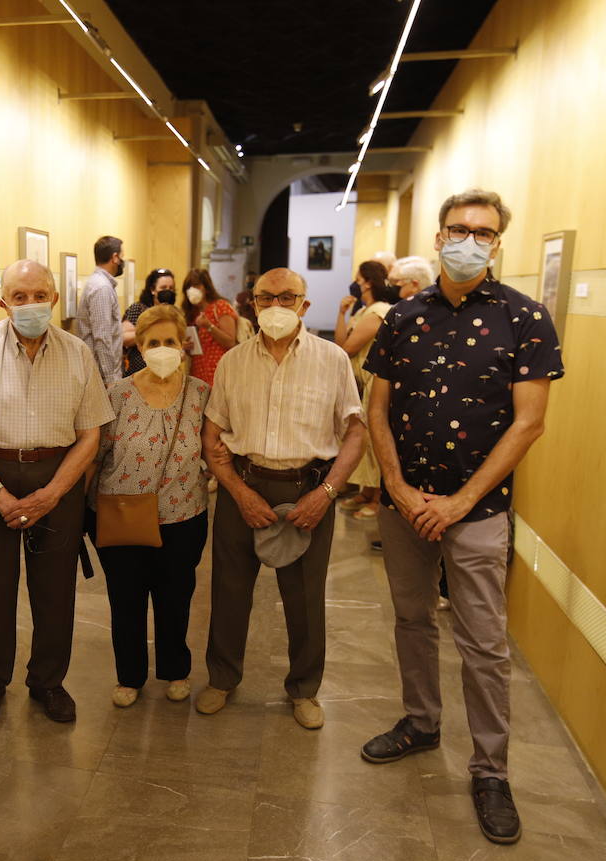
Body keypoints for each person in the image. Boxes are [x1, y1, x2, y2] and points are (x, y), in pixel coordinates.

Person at [359, 188, 564, 845]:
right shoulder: (402, 318)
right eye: (456, 229)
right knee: (412, 618)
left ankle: (491, 770)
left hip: (477, 512)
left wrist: (459, 503)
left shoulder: (525, 319)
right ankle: (420, 721)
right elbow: (378, 409)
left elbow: (529, 424)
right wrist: (396, 485)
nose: (467, 240)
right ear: (439, 234)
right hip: (405, 505)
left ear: (498, 242)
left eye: (482, 231)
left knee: (484, 641)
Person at [196, 268, 365, 729]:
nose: (275, 307)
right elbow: (213, 435)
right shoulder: (232, 363)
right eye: (265, 298)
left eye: (287, 297)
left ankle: (304, 689)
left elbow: (354, 432)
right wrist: (237, 491)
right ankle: (222, 678)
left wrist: (327, 493)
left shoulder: (332, 361)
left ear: (304, 306)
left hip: (310, 490)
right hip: (242, 486)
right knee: (229, 591)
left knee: (306, 598)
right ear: (252, 304)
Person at [0, 260, 115, 726]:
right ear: (2, 302)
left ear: (55, 299)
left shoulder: (78, 353)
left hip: (57, 473)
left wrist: (52, 494)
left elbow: (90, 436)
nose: (30, 305)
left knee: (55, 589)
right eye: (19, 297)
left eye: (39, 295)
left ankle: (48, 682)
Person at [93, 305, 210, 708]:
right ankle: (129, 676)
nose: (162, 349)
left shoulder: (199, 394)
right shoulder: (118, 394)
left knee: (175, 599)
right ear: (139, 347)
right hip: (124, 515)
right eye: (153, 343)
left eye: (170, 342)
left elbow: (211, 452)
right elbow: (99, 456)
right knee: (126, 601)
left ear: (183, 345)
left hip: (183, 516)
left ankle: (176, 670)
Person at [334, 260, 395, 521]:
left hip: (375, 382)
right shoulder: (364, 310)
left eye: (358, 278)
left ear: (367, 281)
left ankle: (378, 497)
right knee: (362, 437)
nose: (355, 282)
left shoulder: (379, 311)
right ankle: (366, 491)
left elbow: (348, 348)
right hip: (359, 382)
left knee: (374, 439)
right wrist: (341, 313)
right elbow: (339, 345)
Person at [74, 235, 126, 386]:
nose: (123, 262)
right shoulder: (101, 288)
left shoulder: (100, 284)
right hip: (101, 378)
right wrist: (111, 380)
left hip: (100, 375)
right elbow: (102, 337)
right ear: (115, 257)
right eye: (122, 257)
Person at [182, 268, 238, 386]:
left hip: (220, 373)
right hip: (198, 374)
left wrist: (208, 326)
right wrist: (187, 347)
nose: (192, 290)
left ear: (206, 288)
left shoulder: (220, 306)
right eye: (189, 287)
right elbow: (196, 351)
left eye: (196, 285)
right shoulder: (191, 313)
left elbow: (230, 342)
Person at [121, 268, 176, 376]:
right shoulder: (138, 309)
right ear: (153, 290)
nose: (168, 291)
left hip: (166, 373)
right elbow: (124, 338)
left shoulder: (173, 314)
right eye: (163, 288)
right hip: (139, 372)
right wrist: (152, 331)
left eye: (171, 288)